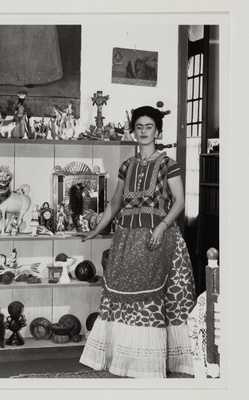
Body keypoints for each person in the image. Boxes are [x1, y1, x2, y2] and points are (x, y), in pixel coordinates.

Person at [75, 105, 196, 378]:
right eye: (139, 127)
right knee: (120, 293)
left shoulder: (168, 164)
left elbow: (179, 202)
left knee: (150, 295)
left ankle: (148, 364)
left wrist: (162, 227)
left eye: (149, 127)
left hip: (158, 237)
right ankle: (125, 360)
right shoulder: (127, 165)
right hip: (127, 238)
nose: (143, 132)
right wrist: (97, 230)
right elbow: (116, 202)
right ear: (133, 131)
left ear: (157, 131)